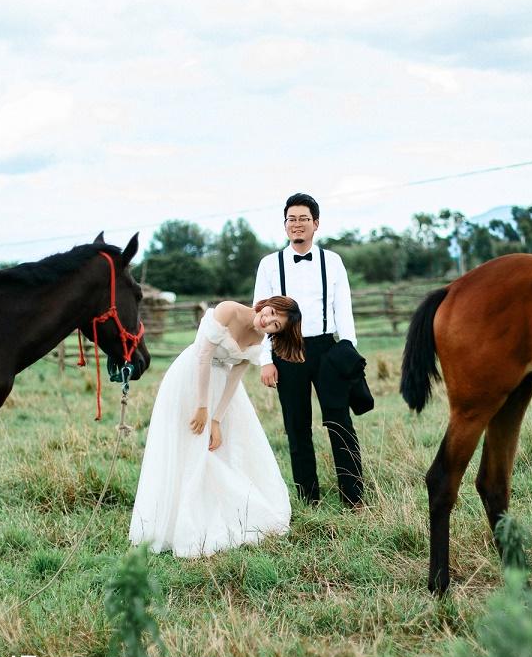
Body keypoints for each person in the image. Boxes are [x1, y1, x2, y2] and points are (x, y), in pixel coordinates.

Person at [129, 297, 304, 557]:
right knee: (189, 444)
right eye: (271, 313)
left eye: (275, 326)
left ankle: (217, 511)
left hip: (222, 387)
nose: (267, 321)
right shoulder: (228, 310)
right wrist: (201, 407)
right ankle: (176, 521)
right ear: (267, 304)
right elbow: (203, 355)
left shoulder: (258, 339)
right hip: (192, 377)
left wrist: (216, 418)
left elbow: (235, 376)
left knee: (220, 449)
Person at [255, 192, 364, 507]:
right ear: (285, 225)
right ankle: (308, 498)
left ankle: (354, 497)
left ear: (316, 224)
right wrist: (265, 360)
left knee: (339, 422)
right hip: (287, 350)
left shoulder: (333, 261)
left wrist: (349, 350)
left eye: (304, 219)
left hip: (328, 349)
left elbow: (344, 308)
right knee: (296, 427)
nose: (297, 224)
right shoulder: (269, 265)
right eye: (292, 219)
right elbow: (260, 315)